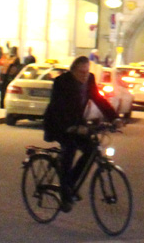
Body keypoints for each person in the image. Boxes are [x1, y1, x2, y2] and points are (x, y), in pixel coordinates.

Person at [42, 56, 119, 212]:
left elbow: (98, 98)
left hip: (77, 123)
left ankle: (70, 184)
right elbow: (57, 107)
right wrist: (71, 127)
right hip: (58, 123)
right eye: (81, 72)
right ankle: (65, 193)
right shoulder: (62, 82)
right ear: (73, 71)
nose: (85, 75)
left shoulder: (89, 80)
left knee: (91, 149)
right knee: (70, 148)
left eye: (87, 71)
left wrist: (114, 118)